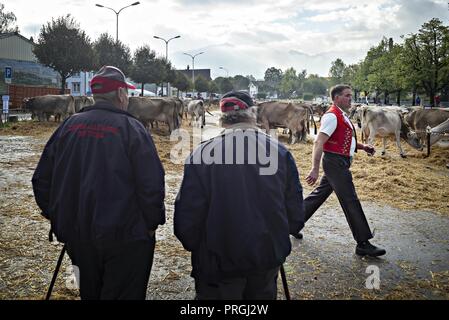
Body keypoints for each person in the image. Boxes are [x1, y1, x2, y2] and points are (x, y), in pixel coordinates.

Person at [32, 66, 166, 299]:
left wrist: (58, 215)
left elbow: (41, 180)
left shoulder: (67, 126)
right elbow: (152, 185)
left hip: (79, 236)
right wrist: (151, 223)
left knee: (90, 292)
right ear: (122, 95)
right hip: (125, 237)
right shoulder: (132, 129)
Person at [174, 91, 305, 300]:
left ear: (222, 118)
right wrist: (279, 239)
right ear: (252, 113)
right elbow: (295, 212)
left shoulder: (202, 154)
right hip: (265, 257)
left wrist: (198, 248)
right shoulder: (280, 152)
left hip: (217, 261)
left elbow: (187, 215)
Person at [294, 84, 386, 257]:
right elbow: (319, 142)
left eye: (351, 95)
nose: (350, 98)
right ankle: (363, 242)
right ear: (336, 98)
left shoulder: (341, 115)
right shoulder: (332, 116)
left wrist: (362, 146)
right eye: (347, 95)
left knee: (319, 195)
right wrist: (314, 168)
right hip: (335, 163)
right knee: (350, 199)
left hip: (339, 162)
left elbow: (343, 140)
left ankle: (292, 224)